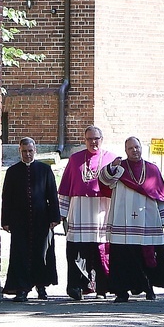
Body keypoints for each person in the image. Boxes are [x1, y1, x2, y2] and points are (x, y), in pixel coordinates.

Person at [99, 136, 164, 302]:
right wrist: (112, 167)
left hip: (147, 218)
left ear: (142, 148)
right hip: (122, 219)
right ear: (125, 151)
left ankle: (149, 288)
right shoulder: (119, 168)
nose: (135, 150)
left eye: (137, 147)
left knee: (148, 255)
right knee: (122, 257)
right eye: (131, 148)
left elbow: (160, 194)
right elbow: (104, 180)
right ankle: (121, 291)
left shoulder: (152, 169)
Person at [58, 125, 118, 300]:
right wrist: (61, 212)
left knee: (100, 250)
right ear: (84, 140)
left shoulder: (111, 158)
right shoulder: (75, 159)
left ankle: (102, 288)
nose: (93, 142)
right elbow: (65, 188)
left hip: (102, 210)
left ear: (102, 139)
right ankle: (78, 287)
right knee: (77, 250)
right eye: (89, 139)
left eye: (96, 138)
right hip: (79, 210)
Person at [1, 137, 61, 302]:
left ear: (35, 151)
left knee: (41, 253)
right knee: (20, 254)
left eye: (30, 151)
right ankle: (22, 288)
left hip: (41, 218)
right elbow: (7, 197)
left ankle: (41, 287)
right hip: (19, 220)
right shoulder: (12, 171)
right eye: (24, 151)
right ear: (19, 151)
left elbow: (52, 195)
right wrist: (5, 220)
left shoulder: (45, 170)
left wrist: (55, 217)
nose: (27, 154)